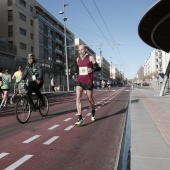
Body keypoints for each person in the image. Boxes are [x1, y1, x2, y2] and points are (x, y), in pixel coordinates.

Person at [72, 44, 101, 125]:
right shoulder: (77, 59)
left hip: (88, 81)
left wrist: (92, 69)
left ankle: (93, 111)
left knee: (90, 99)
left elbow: (98, 68)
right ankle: (80, 118)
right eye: (79, 50)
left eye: (81, 49)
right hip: (80, 81)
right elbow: (76, 69)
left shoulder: (90, 58)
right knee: (78, 98)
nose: (80, 51)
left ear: (85, 49)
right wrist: (74, 74)